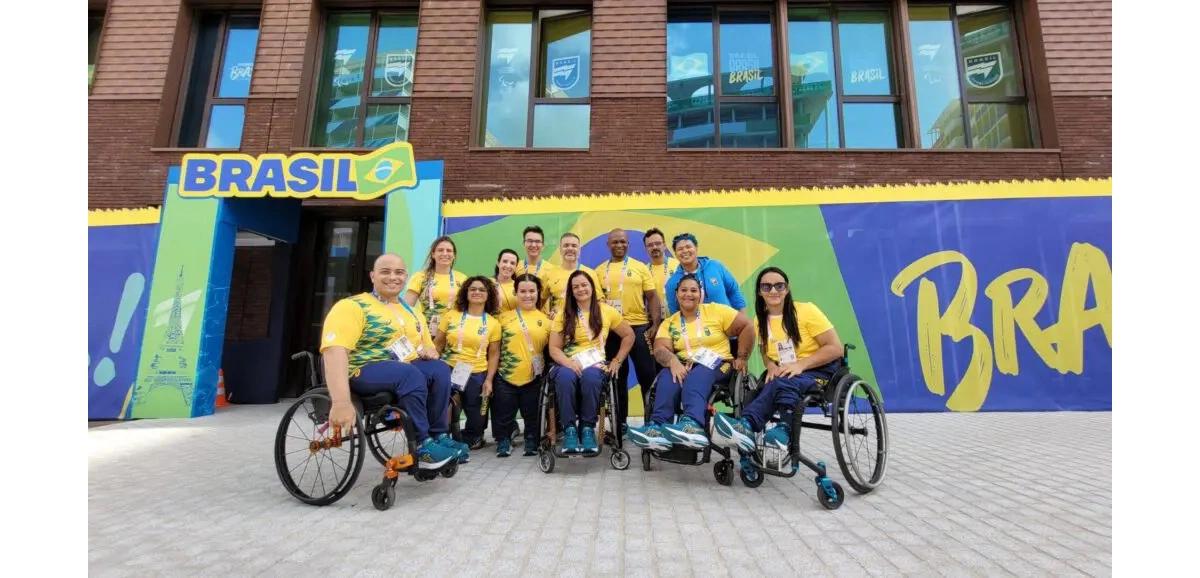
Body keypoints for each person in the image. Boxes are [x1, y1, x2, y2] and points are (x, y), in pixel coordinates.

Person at [321, 253, 466, 469]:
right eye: (385, 272)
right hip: (363, 370)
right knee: (409, 374)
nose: (392, 277)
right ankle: (423, 445)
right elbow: (334, 351)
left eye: (398, 273)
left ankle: (439, 436)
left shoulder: (411, 311)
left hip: (403, 370)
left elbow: (427, 346)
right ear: (372, 276)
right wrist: (341, 402)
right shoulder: (353, 306)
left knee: (440, 370)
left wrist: (429, 351)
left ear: (405, 277)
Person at [712, 267, 845, 454]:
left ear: (787, 289)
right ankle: (749, 439)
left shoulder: (807, 311)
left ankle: (767, 428)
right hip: (784, 370)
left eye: (779, 286)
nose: (773, 291)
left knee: (783, 381)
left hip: (819, 370)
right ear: (759, 291)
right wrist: (771, 365)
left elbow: (835, 348)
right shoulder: (760, 319)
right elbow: (765, 350)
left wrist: (801, 364)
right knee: (756, 390)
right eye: (766, 287)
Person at [627, 274, 754, 451]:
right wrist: (672, 361)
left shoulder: (716, 310)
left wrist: (742, 357)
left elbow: (747, 326)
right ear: (677, 294)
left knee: (699, 374)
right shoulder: (670, 322)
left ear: (700, 294)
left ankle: (693, 424)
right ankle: (657, 427)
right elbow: (660, 349)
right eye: (684, 290)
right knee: (667, 376)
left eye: (693, 290)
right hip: (685, 364)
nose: (689, 294)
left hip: (719, 363)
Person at [548, 270, 635, 456]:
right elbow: (554, 348)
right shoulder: (563, 314)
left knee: (592, 378)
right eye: (576, 286)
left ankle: (587, 429)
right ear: (571, 291)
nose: (580, 289)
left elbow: (629, 335)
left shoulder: (606, 311)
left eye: (584, 285)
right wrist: (569, 363)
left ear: (592, 287)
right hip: (568, 361)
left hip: (595, 363)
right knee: (564, 377)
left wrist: (617, 361)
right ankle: (570, 429)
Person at [598, 228, 662, 435]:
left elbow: (652, 297)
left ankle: (652, 423)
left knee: (648, 377)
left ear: (628, 244)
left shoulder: (640, 268)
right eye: (615, 242)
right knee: (617, 379)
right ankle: (619, 424)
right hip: (614, 332)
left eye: (623, 242)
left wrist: (654, 324)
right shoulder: (598, 271)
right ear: (608, 245)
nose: (619, 245)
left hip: (640, 327)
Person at [435, 276, 502, 451]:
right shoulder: (451, 315)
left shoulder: (494, 323)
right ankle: (444, 437)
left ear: (488, 295)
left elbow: (494, 355)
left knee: (477, 416)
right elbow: (438, 344)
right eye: (473, 289)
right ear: (466, 292)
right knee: (447, 406)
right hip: (450, 368)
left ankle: (474, 437)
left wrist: (488, 380)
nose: (477, 292)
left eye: (482, 289)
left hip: (477, 372)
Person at [491, 274, 551, 457]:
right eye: (522, 291)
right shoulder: (501, 319)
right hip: (505, 376)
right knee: (503, 413)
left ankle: (531, 439)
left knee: (532, 413)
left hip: (534, 377)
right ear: (515, 293)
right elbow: (493, 349)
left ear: (538, 293)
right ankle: (503, 440)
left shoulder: (547, 321)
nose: (527, 295)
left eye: (532, 291)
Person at [663, 233, 746, 315]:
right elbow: (675, 313)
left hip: (728, 325)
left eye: (688, 247)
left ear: (696, 248)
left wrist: (742, 319)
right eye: (680, 249)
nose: (685, 251)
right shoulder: (672, 283)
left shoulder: (715, 266)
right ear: (675, 253)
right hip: (696, 327)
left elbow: (734, 291)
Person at [405, 236, 466, 338]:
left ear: (454, 255)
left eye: (449, 251)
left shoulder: (463, 279)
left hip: (453, 333)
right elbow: (407, 308)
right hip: (425, 333)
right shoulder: (420, 277)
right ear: (433, 254)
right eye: (440, 250)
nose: (445, 253)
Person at [543, 232, 602, 321]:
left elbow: (599, 302)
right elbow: (540, 302)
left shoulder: (590, 273)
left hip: (583, 325)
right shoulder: (549, 274)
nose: (570, 248)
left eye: (574, 246)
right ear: (560, 249)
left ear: (579, 249)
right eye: (566, 245)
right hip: (558, 325)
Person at [643, 227, 679, 322]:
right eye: (650, 245)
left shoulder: (678, 266)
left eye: (658, 243)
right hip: (654, 321)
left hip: (677, 318)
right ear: (646, 248)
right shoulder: (643, 270)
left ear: (664, 245)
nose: (654, 247)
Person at [493, 248, 520, 313]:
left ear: (516, 267)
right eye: (505, 261)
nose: (508, 266)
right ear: (498, 263)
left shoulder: (519, 286)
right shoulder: (487, 283)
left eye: (512, 263)